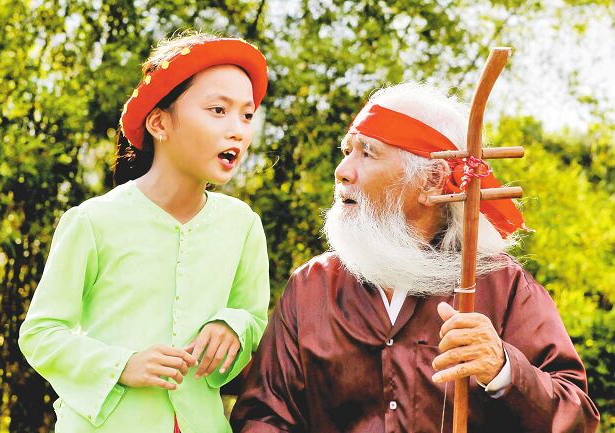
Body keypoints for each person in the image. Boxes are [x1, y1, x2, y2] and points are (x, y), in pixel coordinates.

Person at [230, 83, 600, 433]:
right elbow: (266, 415)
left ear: (432, 180)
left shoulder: (501, 284)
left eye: (367, 153)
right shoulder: (312, 286)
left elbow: (578, 417)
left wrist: (503, 369)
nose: (342, 171)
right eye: (347, 152)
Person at [19, 31, 270, 433]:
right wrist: (122, 366)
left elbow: (254, 319)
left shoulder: (243, 226)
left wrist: (233, 326)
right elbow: (40, 333)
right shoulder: (92, 221)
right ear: (159, 123)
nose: (238, 130)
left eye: (247, 115)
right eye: (218, 110)